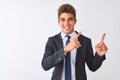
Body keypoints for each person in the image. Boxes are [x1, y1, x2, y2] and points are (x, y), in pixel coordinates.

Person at [41, 3, 108, 80]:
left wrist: (99, 55)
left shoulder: (85, 41)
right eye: (63, 20)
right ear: (58, 22)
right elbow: (45, 65)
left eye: (70, 19)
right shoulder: (52, 41)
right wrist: (65, 49)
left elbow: (92, 67)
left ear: (75, 21)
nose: (66, 23)